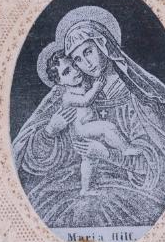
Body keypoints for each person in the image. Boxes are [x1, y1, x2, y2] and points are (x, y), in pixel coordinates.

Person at [12, 6, 165, 233]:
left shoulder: (137, 95)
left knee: (94, 212)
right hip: (73, 183)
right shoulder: (72, 92)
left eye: (88, 51)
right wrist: (49, 132)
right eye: (77, 59)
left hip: (129, 188)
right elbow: (31, 162)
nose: (85, 64)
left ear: (103, 45)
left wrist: (108, 155)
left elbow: (160, 167)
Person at [44, 48, 134, 194]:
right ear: (59, 81)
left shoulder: (83, 84)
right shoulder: (67, 96)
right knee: (108, 127)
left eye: (75, 65)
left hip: (88, 127)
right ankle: (126, 149)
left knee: (89, 161)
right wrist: (97, 88)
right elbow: (86, 101)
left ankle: (86, 189)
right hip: (82, 129)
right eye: (67, 72)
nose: (75, 71)